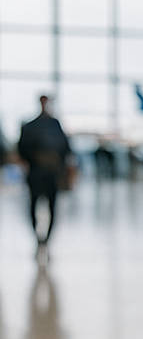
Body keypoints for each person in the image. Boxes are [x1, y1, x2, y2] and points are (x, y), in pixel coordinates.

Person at [17, 95, 71, 259]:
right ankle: (38, 238)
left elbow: (65, 149)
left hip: (51, 174)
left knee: (52, 207)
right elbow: (22, 149)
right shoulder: (30, 126)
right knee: (33, 206)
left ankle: (46, 240)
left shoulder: (55, 125)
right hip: (36, 173)